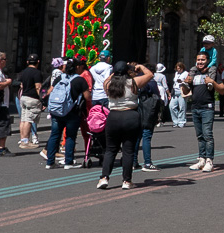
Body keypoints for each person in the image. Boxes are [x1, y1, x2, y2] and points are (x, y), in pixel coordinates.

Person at [97, 61, 153, 190]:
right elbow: (150, 75)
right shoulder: (133, 82)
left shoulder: (108, 84)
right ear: (127, 71)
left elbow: (107, 79)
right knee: (128, 151)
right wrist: (140, 67)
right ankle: (127, 180)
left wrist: (115, 72)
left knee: (110, 150)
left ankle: (104, 178)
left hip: (113, 117)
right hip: (130, 116)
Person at [44, 62, 90, 169]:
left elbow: (49, 91)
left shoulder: (59, 78)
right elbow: (87, 97)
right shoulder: (80, 80)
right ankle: (68, 162)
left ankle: (50, 162)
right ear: (76, 68)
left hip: (57, 111)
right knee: (70, 136)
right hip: (72, 112)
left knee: (54, 135)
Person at [184, 58, 217, 171]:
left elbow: (222, 89)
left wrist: (212, 82)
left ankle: (209, 161)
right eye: (198, 60)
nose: (200, 62)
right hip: (195, 108)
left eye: (203, 60)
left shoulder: (212, 71)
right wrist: (185, 83)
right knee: (200, 136)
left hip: (207, 108)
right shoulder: (194, 73)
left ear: (208, 61)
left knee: (207, 135)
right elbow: (186, 91)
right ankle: (201, 160)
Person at [136, 62, 167, 171]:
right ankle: (147, 163)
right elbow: (156, 96)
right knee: (147, 135)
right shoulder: (151, 82)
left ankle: (134, 162)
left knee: (137, 137)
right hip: (148, 111)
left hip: (136, 110)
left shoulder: (135, 80)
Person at [17, 55, 44, 148]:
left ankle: (22, 140)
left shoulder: (24, 72)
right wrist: (42, 98)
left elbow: (21, 85)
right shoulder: (37, 73)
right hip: (32, 98)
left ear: (27, 62)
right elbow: (38, 87)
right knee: (29, 120)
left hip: (24, 96)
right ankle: (25, 141)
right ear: (38, 62)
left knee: (23, 119)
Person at [169, 62, 189, 127]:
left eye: (180, 68)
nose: (179, 70)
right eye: (177, 68)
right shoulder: (176, 73)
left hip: (182, 90)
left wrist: (182, 81)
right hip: (175, 91)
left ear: (183, 68)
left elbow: (188, 82)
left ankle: (181, 122)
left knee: (182, 107)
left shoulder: (186, 73)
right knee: (172, 106)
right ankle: (176, 121)